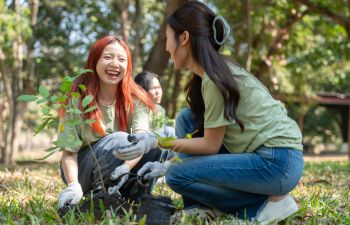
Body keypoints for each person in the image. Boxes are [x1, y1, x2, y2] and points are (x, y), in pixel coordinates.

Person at [114, 2, 304, 224]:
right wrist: (171, 158)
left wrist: (158, 142)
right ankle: (199, 207)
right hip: (271, 158)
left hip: (277, 162)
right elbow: (205, 136)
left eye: (167, 38)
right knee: (188, 117)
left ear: (184, 38)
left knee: (176, 175)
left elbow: (210, 146)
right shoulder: (210, 74)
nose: (166, 47)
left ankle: (265, 205)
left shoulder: (214, 78)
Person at [57, 35, 159, 209]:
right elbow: (69, 153)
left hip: (121, 169)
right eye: (108, 57)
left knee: (153, 143)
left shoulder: (137, 98)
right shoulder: (76, 99)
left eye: (121, 59)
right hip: (82, 170)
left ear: (128, 66)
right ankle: (100, 196)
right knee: (120, 139)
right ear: (94, 61)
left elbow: (142, 140)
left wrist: (126, 168)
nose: (115, 64)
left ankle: (131, 197)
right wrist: (73, 185)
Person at [134, 71, 175, 137]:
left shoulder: (160, 110)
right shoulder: (136, 107)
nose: (158, 92)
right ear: (142, 90)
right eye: (154, 88)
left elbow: (159, 133)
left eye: (159, 87)